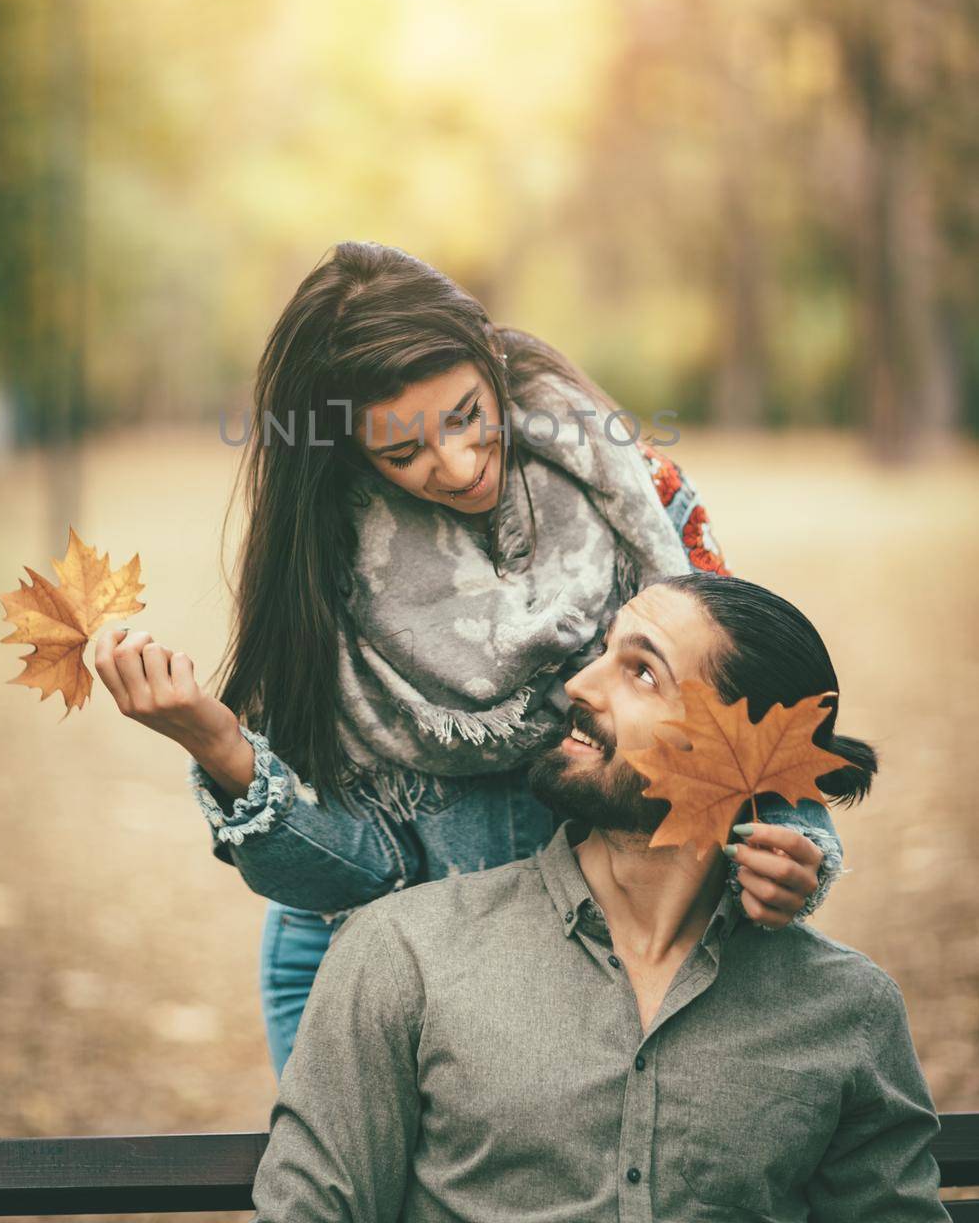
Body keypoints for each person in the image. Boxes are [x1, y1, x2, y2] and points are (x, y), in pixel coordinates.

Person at [92, 242, 841, 1076]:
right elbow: (362, 866)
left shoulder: (638, 495)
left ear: (490, 357)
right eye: (403, 453)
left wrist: (794, 848)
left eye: (463, 415)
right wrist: (217, 745)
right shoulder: (325, 580)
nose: (455, 466)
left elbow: (742, 708)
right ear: (349, 456)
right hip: (384, 964)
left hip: (609, 951)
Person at [251, 573, 949, 1223]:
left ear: (743, 757)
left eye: (641, 671)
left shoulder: (844, 1009)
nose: (579, 685)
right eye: (602, 654)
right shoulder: (405, 955)